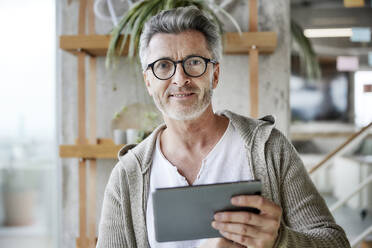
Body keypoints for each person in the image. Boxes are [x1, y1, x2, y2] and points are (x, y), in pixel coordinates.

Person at [97, 6, 350, 248]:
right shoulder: (127, 177)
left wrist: (280, 241)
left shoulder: (269, 150)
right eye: (163, 65)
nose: (180, 78)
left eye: (194, 62)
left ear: (215, 74)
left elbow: (335, 243)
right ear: (148, 81)